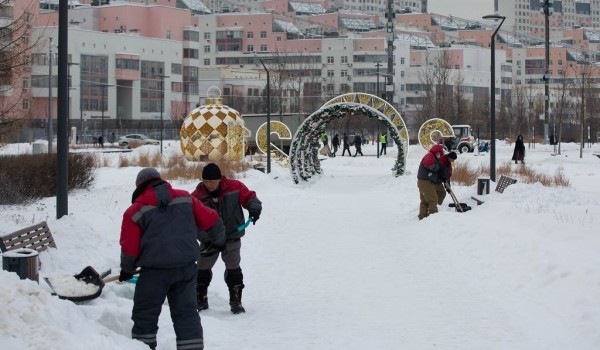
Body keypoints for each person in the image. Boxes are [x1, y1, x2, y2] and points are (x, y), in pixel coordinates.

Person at [119, 167, 226, 350]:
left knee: (145, 315)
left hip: (153, 274)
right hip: (185, 269)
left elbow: (129, 247)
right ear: (160, 180)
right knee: (186, 314)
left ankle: (143, 347)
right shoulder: (186, 199)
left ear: (139, 187)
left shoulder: (135, 212)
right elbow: (212, 219)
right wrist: (219, 241)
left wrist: (127, 269)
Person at [191, 163, 262, 314]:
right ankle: (200, 299)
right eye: (205, 181)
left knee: (233, 268)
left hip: (232, 235)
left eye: (211, 181)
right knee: (201, 269)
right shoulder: (197, 196)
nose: (208, 184)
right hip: (209, 239)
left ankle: (236, 301)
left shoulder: (234, 187)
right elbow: (190, 217)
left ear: (219, 179)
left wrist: (254, 209)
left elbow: (249, 197)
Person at [417, 144, 445, 220]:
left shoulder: (433, 157)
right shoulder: (429, 156)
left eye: (440, 153)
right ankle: (433, 217)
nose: (439, 154)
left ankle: (422, 216)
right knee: (433, 199)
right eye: (438, 153)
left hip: (422, 181)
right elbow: (429, 165)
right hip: (425, 181)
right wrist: (438, 167)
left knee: (424, 200)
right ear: (435, 151)